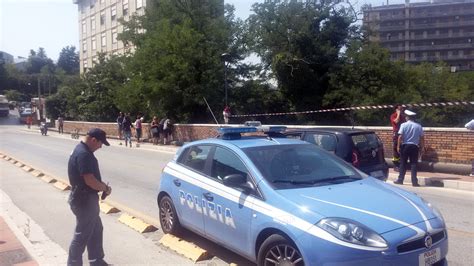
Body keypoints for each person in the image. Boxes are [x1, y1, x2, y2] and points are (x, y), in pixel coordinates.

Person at [67, 128, 112, 266]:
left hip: (83, 198)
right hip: (85, 201)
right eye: (100, 143)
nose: (101, 146)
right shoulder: (84, 154)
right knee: (82, 236)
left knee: (96, 229)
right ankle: (73, 264)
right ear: (93, 140)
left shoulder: (80, 149)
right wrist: (105, 188)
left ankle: (96, 260)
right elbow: (89, 180)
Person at [394, 110, 424, 187]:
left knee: (403, 163)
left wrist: (398, 146)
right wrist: (422, 147)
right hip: (414, 147)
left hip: (405, 146)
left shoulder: (403, 125)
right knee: (414, 164)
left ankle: (400, 180)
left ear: (407, 117)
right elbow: (421, 138)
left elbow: (400, 136)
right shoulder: (419, 126)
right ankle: (414, 182)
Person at [390, 105, 404, 171]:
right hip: (396, 134)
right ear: (396, 109)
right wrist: (398, 114)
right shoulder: (393, 115)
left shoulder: (403, 116)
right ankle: (396, 165)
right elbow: (396, 121)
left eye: (401, 109)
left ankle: (401, 164)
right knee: (396, 150)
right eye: (399, 109)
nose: (401, 110)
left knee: (402, 149)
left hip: (402, 134)